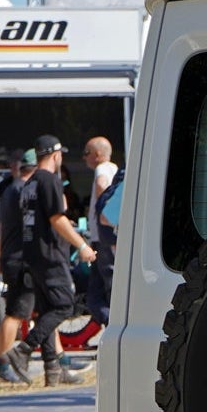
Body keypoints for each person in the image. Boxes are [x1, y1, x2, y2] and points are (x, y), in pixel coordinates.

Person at [0, 137, 94, 386]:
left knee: (47, 310)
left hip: (31, 255)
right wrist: (82, 245)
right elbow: (57, 218)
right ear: (55, 156)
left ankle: (53, 369)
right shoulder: (49, 179)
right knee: (64, 307)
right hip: (50, 254)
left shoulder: (28, 184)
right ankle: (22, 350)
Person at [0, 148, 35, 383]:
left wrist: (0, 254)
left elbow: (2, 228)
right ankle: (3, 364)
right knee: (15, 314)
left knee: (19, 311)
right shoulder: (24, 191)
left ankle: (58, 359)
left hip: (9, 255)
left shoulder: (10, 189)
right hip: (19, 257)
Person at [82, 136, 117, 330]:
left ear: (97, 154)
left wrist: (105, 214)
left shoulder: (102, 169)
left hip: (103, 239)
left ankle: (113, 324)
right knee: (95, 292)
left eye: (86, 153)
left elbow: (102, 185)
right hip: (105, 238)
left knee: (105, 287)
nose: (84, 158)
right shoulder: (116, 169)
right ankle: (110, 323)